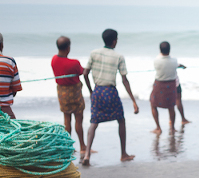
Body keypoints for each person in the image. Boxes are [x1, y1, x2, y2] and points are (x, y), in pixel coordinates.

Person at [82, 28, 139, 165]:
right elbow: (125, 80)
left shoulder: (94, 53)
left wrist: (91, 91)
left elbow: (85, 74)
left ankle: (87, 154)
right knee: (121, 120)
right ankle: (123, 154)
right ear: (114, 41)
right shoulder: (118, 56)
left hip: (97, 91)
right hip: (110, 91)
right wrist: (133, 100)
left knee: (94, 122)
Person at [50, 36, 88, 156]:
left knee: (67, 120)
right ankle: (82, 146)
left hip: (62, 94)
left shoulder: (54, 60)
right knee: (78, 119)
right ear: (68, 47)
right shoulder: (74, 63)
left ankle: (68, 146)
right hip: (75, 94)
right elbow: (82, 71)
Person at [150, 41, 181, 134]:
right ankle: (172, 128)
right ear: (169, 50)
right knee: (171, 107)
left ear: (160, 50)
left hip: (159, 84)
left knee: (153, 104)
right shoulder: (174, 61)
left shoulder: (156, 60)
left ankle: (158, 127)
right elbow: (175, 64)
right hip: (171, 85)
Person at [0, 33, 22, 119]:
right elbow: (15, 89)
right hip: (5, 110)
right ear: (2, 45)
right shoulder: (9, 61)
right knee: (15, 130)